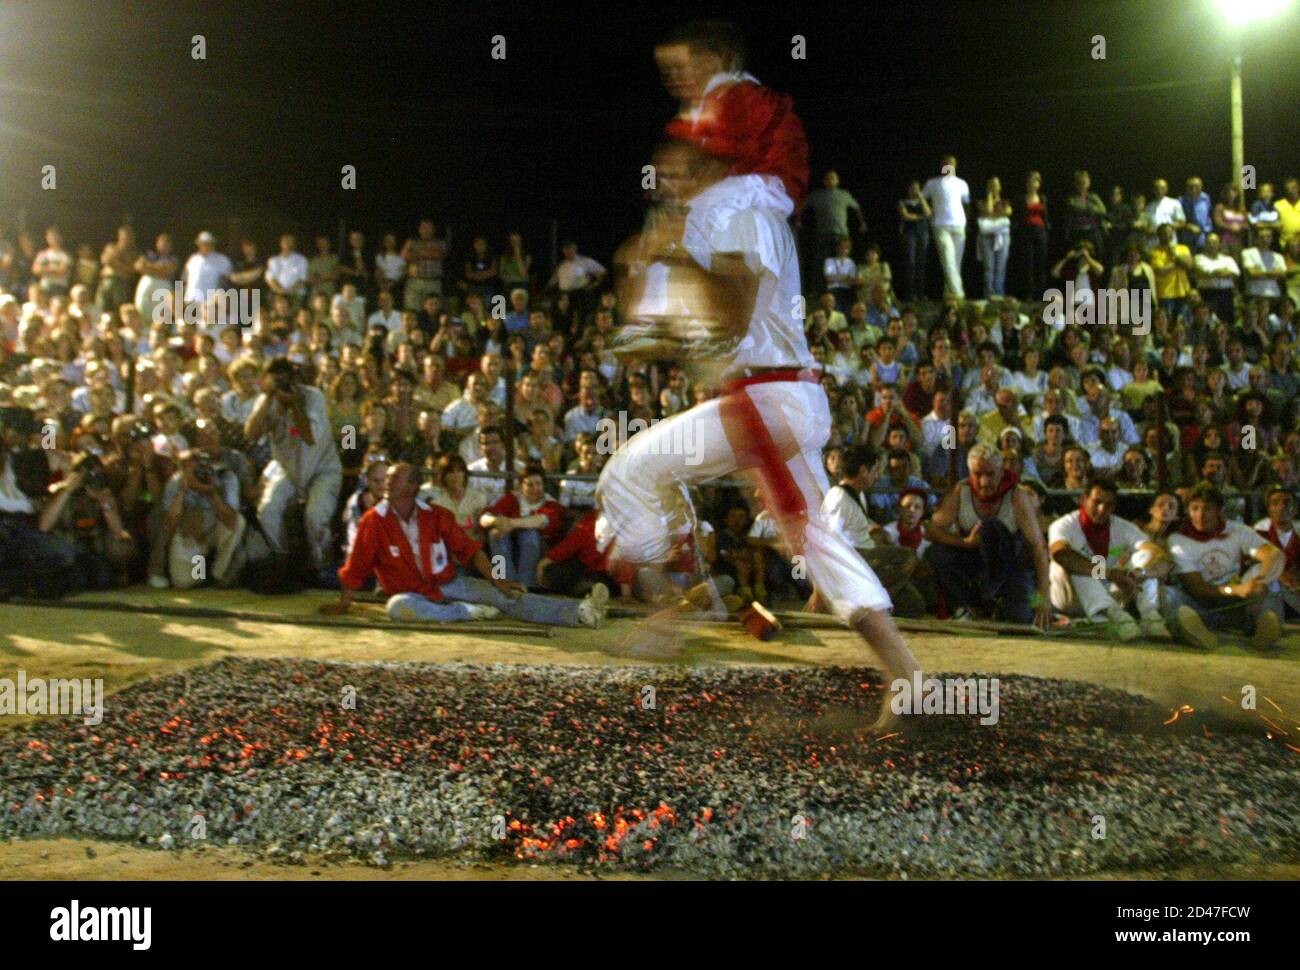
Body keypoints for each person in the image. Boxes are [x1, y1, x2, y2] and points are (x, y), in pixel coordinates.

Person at [600, 22, 922, 700]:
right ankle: (909, 679)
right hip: (781, 401)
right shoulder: (730, 216)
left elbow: (733, 310)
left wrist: (672, 259)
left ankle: (676, 607)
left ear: (718, 164)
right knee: (817, 542)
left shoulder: (741, 214)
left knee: (629, 470)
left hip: (767, 402)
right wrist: (643, 273)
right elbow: (677, 331)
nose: (671, 183)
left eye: (684, 171)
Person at [324, 463, 608, 627]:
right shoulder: (373, 520)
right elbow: (357, 564)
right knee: (397, 608)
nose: (387, 483)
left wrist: (498, 580)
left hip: (447, 582)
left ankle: (581, 612)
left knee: (506, 596)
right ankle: (467, 612)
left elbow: (470, 551)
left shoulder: (436, 515)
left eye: (394, 478)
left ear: (412, 486)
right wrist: (344, 602)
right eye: (386, 479)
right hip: (410, 594)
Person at [924, 443, 1052, 627]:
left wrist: (1043, 599)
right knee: (936, 552)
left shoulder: (1017, 496)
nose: (984, 482)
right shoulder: (962, 490)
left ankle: (995, 600)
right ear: (970, 473)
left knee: (1021, 617)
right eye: (978, 474)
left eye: (990, 474)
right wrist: (964, 542)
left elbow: (1038, 547)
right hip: (974, 566)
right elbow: (931, 529)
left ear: (1001, 472)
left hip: (1010, 567)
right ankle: (967, 605)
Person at [244, 357, 342, 580]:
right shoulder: (266, 400)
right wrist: (269, 398)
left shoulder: (313, 396)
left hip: (322, 469)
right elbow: (250, 434)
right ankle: (283, 558)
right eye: (275, 378)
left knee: (315, 516)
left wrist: (294, 404)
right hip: (286, 468)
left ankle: (322, 566)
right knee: (267, 510)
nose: (282, 383)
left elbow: (310, 438)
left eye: (285, 377)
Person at [1163, 483, 1284, 651]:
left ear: (1220, 511)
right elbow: (1197, 589)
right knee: (1167, 594)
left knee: (1272, 580)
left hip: (1237, 605)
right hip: (1200, 606)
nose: (1200, 515)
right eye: (1195, 509)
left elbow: (1274, 555)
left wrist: (1260, 581)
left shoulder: (1238, 531)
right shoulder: (1178, 540)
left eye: (1207, 509)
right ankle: (1194, 632)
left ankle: (1263, 628)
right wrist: (1235, 590)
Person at [1047, 479, 1171, 640]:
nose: (1102, 509)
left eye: (1108, 505)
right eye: (1097, 502)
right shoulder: (1064, 524)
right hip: (1071, 598)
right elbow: (1061, 554)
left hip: (1111, 593)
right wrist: (1110, 574)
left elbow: (1162, 558)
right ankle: (1117, 618)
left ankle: (1150, 617)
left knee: (1146, 557)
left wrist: (1137, 574)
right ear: (1084, 499)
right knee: (1071, 563)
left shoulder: (1123, 527)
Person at [479, 464, 563, 586]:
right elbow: (484, 518)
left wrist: (510, 524)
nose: (535, 488)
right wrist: (496, 522)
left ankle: (526, 584)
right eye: (530, 484)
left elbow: (540, 521)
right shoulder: (513, 499)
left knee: (529, 534)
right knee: (494, 533)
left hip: (539, 552)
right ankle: (502, 579)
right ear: (521, 486)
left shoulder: (551, 504)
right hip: (512, 548)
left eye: (538, 484)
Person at [922, 155, 971, 300]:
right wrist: (928, 211)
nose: (949, 165)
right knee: (948, 259)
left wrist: (966, 223)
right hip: (940, 225)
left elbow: (967, 204)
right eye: (946, 163)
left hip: (959, 225)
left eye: (952, 163)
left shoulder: (962, 183)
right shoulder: (932, 183)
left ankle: (949, 294)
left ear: (955, 166)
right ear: (942, 166)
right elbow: (921, 199)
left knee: (956, 263)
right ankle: (958, 293)